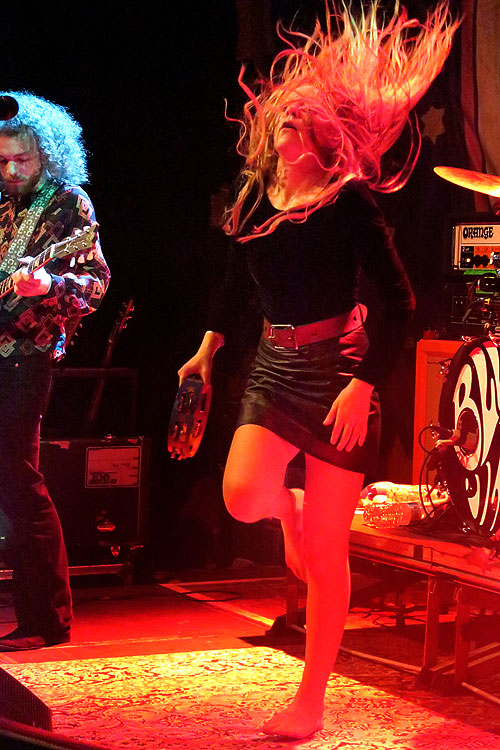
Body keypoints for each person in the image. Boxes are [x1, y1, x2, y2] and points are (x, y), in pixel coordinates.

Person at [178, 1, 458, 739]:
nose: (288, 127)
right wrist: (206, 349)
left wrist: (365, 386)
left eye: (302, 121)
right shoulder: (253, 199)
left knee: (327, 558)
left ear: (325, 138)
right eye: (284, 119)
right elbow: (234, 285)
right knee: (244, 497)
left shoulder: (347, 202)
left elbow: (401, 302)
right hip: (274, 365)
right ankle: (288, 510)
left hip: (339, 373)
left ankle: (310, 701)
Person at [0, 92, 110, 651]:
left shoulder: (68, 205)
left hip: (27, 357)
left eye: (22, 159)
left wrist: (50, 284)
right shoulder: (1, 205)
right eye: (2, 161)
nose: (12, 171)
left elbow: (96, 283)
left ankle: (47, 618)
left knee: (19, 478)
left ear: (47, 153)